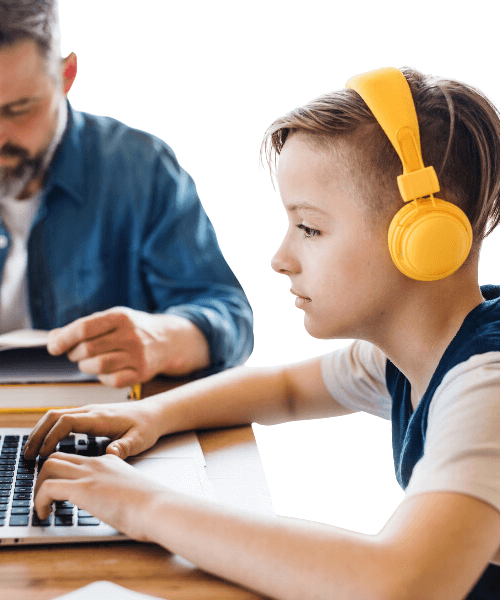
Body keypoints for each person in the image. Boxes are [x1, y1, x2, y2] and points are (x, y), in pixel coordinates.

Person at [25, 66, 500, 600]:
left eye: (311, 228)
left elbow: (399, 582)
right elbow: (286, 391)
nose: (280, 258)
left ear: (423, 239)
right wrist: (145, 414)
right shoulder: (414, 353)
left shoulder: (487, 384)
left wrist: (140, 505)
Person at [0, 0, 253, 387]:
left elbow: (230, 317)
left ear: (66, 76)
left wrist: (163, 339)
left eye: (19, 109)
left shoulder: (141, 169)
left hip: (109, 426)